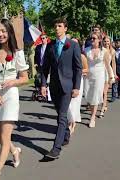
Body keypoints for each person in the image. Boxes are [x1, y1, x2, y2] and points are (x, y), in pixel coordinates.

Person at [0, 18, 29, 180]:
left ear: (9, 32)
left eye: (3, 31)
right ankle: (14, 150)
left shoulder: (17, 53)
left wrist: (13, 81)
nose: (0, 34)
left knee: (5, 136)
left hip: (10, 97)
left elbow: (25, 78)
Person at [41, 17, 82, 159]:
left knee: (62, 116)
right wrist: (43, 84)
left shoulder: (73, 45)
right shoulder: (51, 46)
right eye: (55, 26)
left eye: (60, 26)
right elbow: (45, 68)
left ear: (65, 28)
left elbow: (78, 68)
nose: (57, 28)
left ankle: (55, 149)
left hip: (67, 86)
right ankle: (66, 134)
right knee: (60, 114)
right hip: (54, 86)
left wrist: (77, 87)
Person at [83, 32, 114, 128]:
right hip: (88, 76)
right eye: (91, 38)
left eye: (94, 38)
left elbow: (108, 65)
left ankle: (92, 117)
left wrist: (111, 76)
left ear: (99, 40)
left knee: (96, 96)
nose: (92, 40)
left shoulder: (104, 51)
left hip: (99, 76)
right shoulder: (86, 50)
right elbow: (83, 63)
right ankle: (92, 111)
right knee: (89, 95)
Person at [68, 38, 87, 134]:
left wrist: (77, 72)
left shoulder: (81, 56)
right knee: (68, 103)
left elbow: (86, 69)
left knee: (75, 102)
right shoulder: (66, 55)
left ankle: (72, 123)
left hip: (78, 81)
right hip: (68, 80)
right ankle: (69, 121)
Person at [98, 36, 115, 118]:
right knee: (100, 91)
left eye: (108, 41)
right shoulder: (100, 50)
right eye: (105, 41)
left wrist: (114, 74)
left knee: (105, 92)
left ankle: (102, 109)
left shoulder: (112, 51)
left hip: (107, 72)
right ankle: (104, 104)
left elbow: (113, 64)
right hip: (100, 71)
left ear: (110, 42)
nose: (106, 43)